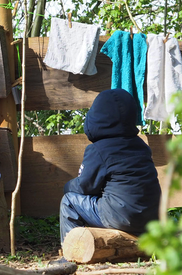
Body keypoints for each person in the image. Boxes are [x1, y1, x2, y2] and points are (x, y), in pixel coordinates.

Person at [60, 88, 161, 245]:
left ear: (96, 117)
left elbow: (84, 187)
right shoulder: (140, 145)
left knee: (69, 201)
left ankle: (70, 254)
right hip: (150, 217)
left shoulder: (99, 149)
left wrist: (67, 186)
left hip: (121, 216)